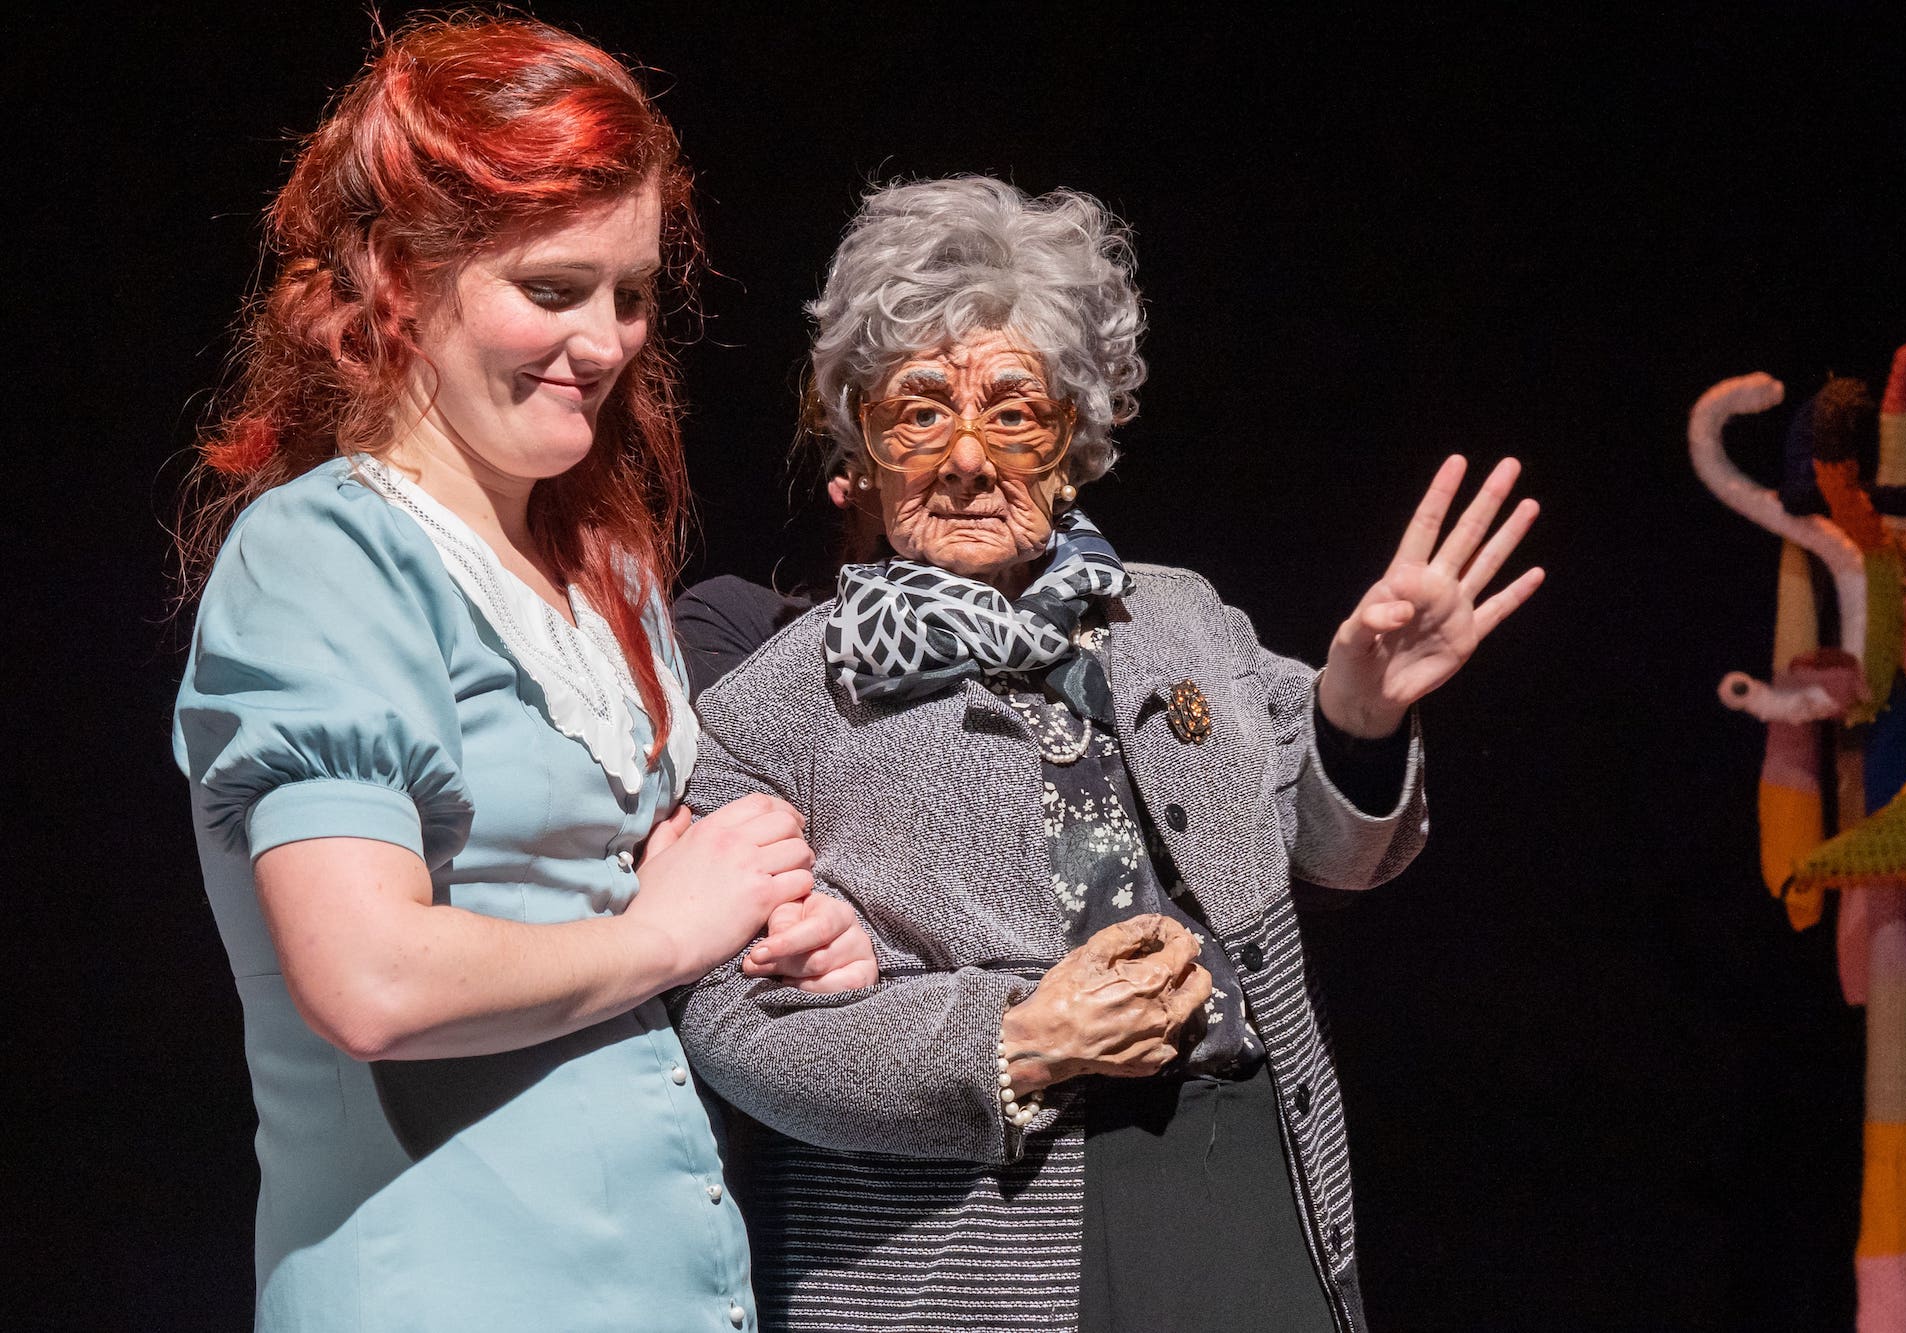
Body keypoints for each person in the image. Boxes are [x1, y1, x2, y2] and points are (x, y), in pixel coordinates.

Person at [670, 176, 1543, 1332]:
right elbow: (730, 1024)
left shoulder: (1180, 618)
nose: (966, 456)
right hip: (964, 1242)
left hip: (1239, 1183)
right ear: (862, 452)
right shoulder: (774, 706)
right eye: (918, 410)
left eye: (1013, 409)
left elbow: (1340, 853)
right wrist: (1012, 1041)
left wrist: (1357, 712)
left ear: (1074, 441)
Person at [172, 18, 874, 1330]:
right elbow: (368, 979)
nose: (605, 342)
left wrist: (775, 930)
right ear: (395, 277)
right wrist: (672, 931)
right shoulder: (323, 556)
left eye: (630, 293)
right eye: (552, 290)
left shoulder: (599, 568)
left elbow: (659, 891)